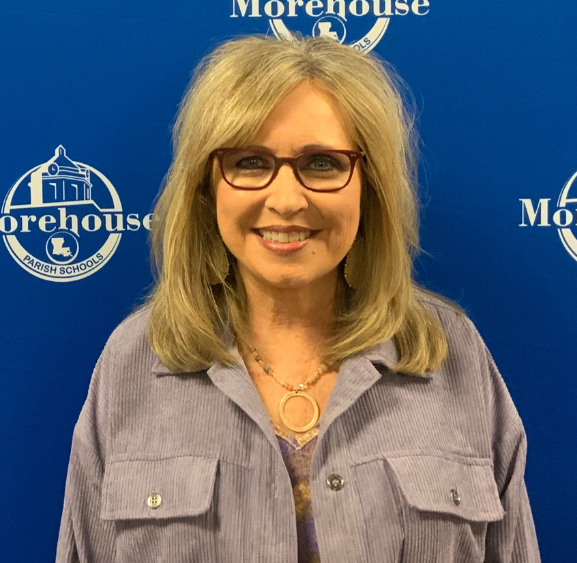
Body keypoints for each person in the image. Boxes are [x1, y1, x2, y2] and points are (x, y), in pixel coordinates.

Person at [55, 34, 541, 563]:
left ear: (370, 186)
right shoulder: (132, 364)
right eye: (248, 161)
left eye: (323, 164)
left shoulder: (453, 356)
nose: (286, 200)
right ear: (206, 186)